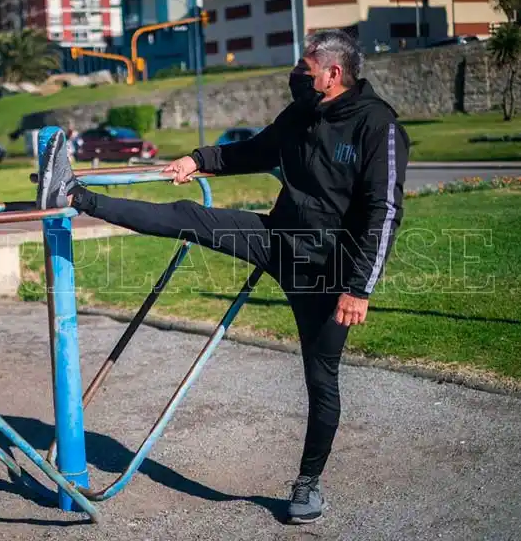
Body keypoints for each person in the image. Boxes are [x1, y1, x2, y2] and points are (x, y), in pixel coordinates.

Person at [34, 29, 408, 524]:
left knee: (321, 380)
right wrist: (198, 159)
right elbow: (252, 152)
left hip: (330, 273)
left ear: (333, 74)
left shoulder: (377, 125)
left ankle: (308, 483)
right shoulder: (301, 116)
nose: (298, 75)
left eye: (305, 68)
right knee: (191, 217)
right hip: (279, 240)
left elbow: (384, 212)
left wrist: (358, 288)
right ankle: (74, 195)